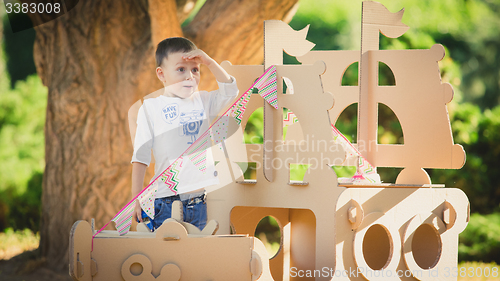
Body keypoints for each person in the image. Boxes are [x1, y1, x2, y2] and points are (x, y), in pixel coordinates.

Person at [131, 37, 238, 231]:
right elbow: (140, 157)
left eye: (195, 69)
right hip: (165, 202)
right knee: (166, 256)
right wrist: (136, 198)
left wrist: (209, 62)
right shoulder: (151, 108)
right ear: (161, 74)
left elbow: (230, 91)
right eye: (181, 69)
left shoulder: (204, 101)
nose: (190, 76)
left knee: (194, 256)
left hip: (199, 203)